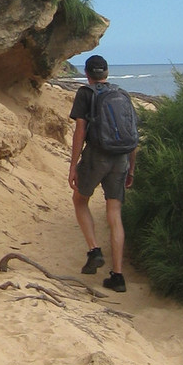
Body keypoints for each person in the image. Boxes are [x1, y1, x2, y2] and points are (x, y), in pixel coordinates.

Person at [67, 54, 137, 292]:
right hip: (121, 158)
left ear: (87, 74)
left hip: (97, 155)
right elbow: (133, 135)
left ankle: (94, 249)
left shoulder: (85, 94)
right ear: (106, 73)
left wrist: (73, 164)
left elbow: (80, 131)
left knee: (80, 200)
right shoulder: (122, 94)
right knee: (114, 212)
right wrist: (132, 169)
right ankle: (117, 276)